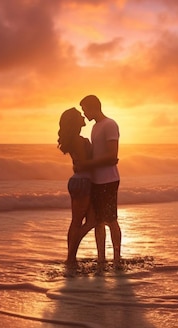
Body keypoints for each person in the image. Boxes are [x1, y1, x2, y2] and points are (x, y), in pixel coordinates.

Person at [76, 95, 122, 271]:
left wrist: (86, 164)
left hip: (109, 179)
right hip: (95, 180)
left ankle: (117, 258)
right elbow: (99, 155)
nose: (84, 113)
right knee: (98, 221)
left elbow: (112, 156)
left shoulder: (110, 124)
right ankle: (101, 258)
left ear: (93, 107)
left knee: (111, 220)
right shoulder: (95, 127)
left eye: (85, 109)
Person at [57, 107, 96, 267]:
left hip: (78, 181)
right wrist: (108, 160)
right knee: (86, 221)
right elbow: (83, 164)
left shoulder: (75, 139)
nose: (83, 116)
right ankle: (71, 258)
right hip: (83, 182)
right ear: (75, 121)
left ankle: (71, 257)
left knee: (80, 221)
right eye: (80, 115)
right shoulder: (79, 140)